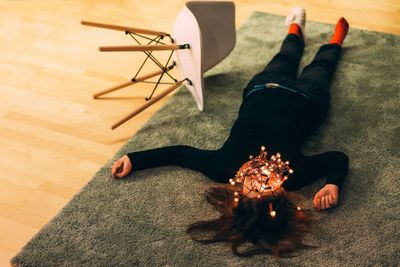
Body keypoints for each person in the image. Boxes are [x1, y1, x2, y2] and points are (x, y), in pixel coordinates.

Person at [111, 7, 350, 257]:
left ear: (239, 193)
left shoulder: (224, 166)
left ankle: (295, 29)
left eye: (253, 188)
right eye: (268, 187)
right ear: (283, 194)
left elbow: (180, 154)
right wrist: (333, 184)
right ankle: (336, 41)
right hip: (309, 97)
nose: (261, 179)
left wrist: (134, 159)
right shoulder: (296, 175)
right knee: (322, 66)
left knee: (286, 56)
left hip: (263, 86)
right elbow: (337, 158)